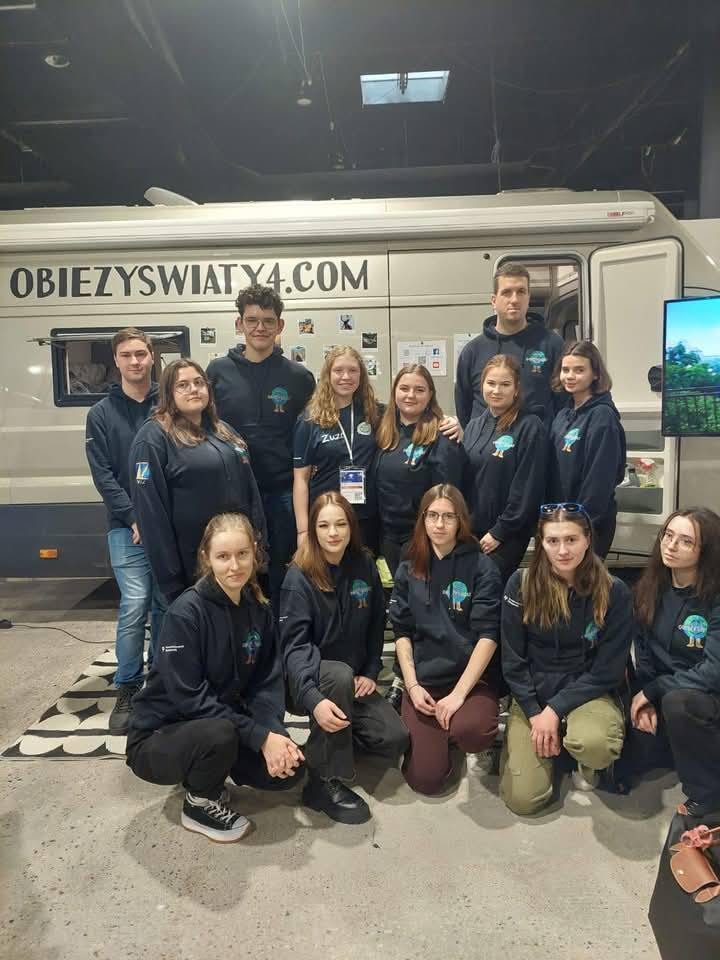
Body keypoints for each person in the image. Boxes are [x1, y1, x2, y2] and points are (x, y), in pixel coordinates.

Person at [126, 512, 303, 843]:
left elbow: (266, 683)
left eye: (242, 554)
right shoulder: (186, 614)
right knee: (218, 734)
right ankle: (199, 802)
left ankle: (210, 767)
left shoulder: (258, 609)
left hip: (221, 724)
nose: (234, 565)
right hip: (160, 735)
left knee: (288, 772)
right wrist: (258, 737)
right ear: (207, 558)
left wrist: (273, 735)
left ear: (255, 553)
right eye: (223, 556)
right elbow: (190, 700)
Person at [279, 491, 409, 824]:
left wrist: (370, 671)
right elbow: (294, 649)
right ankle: (322, 782)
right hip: (306, 682)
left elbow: (377, 623)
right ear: (313, 530)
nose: (333, 533)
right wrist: (313, 699)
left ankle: (329, 743)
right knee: (336, 674)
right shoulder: (298, 576)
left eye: (341, 524)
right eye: (324, 525)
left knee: (393, 738)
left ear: (352, 527)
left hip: (352, 681)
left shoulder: (364, 564)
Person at [500, 504, 633, 815]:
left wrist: (555, 710)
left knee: (595, 744)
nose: (562, 551)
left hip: (588, 689)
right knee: (524, 800)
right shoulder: (520, 584)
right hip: (534, 690)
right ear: (541, 543)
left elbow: (608, 670)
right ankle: (538, 742)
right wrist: (534, 712)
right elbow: (512, 660)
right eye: (553, 541)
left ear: (588, 539)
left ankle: (586, 760)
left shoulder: (614, 591)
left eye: (571, 540)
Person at [389, 484, 502, 795]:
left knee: (474, 732)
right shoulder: (408, 566)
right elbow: (401, 632)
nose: (439, 524)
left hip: (469, 681)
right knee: (425, 780)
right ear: (423, 519)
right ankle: (439, 735)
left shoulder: (482, 567)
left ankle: (455, 727)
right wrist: (412, 686)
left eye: (448, 517)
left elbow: (488, 635)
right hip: (424, 682)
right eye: (432, 515)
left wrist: (458, 696)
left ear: (460, 520)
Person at [208, 285, 315, 604]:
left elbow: (318, 424)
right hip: (234, 493)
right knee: (238, 572)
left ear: (280, 325)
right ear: (239, 324)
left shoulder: (299, 377)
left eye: (268, 321)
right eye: (252, 320)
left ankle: (283, 634)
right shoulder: (217, 372)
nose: (260, 328)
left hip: (284, 493)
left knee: (285, 572)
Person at [85, 327, 167, 735]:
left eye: (140, 354)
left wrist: (160, 519)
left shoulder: (167, 406)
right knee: (135, 606)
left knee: (167, 606)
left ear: (152, 357)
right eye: (126, 355)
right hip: (126, 528)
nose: (135, 361)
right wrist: (136, 517)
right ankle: (129, 685)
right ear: (115, 361)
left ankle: (164, 681)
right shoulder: (100, 414)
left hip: (168, 527)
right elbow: (103, 475)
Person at [130, 359, 266, 603]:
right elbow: (151, 514)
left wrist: (259, 544)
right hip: (189, 568)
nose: (193, 389)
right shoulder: (153, 438)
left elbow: (251, 491)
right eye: (183, 385)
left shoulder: (225, 431)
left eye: (199, 382)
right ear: (168, 393)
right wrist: (170, 578)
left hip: (235, 562)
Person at [628, 508, 720, 816]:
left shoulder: (715, 597)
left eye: (685, 541)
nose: (671, 545)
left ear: (706, 551)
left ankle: (707, 795)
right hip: (664, 693)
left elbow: (713, 671)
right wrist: (645, 698)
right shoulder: (651, 587)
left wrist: (655, 690)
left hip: (703, 698)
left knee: (679, 704)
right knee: (623, 762)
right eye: (668, 535)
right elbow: (642, 651)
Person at [374, 364, 466, 578]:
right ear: (394, 391)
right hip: (387, 536)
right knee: (398, 593)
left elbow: (448, 496)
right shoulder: (384, 430)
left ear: (430, 394)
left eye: (419, 390)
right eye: (404, 388)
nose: (410, 395)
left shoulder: (443, 435)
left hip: (421, 537)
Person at [462, 354, 547, 580]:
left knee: (490, 587)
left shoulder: (530, 427)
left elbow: (528, 487)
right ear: (482, 385)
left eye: (505, 384)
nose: (496, 390)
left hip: (506, 535)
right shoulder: (473, 426)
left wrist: (500, 532)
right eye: (491, 383)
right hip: (471, 532)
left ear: (516, 389)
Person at [293, 346, 382, 551]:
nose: (346, 377)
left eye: (353, 370)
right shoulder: (309, 420)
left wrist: (447, 421)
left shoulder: (374, 412)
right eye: (338, 370)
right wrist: (303, 531)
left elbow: (411, 415)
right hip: (326, 519)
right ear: (328, 375)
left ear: (361, 375)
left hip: (366, 517)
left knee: (363, 569)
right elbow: (301, 479)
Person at [454, 262, 564, 429]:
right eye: (506, 292)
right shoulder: (473, 351)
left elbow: (564, 402)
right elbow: (464, 409)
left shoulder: (552, 345)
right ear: (494, 300)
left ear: (528, 298)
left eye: (521, 292)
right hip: (486, 444)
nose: (514, 300)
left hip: (537, 444)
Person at [548, 341, 626, 559]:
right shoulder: (563, 414)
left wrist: (578, 524)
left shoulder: (603, 417)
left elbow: (599, 480)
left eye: (579, 370)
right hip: (559, 520)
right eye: (565, 370)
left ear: (596, 374)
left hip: (588, 525)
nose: (570, 376)